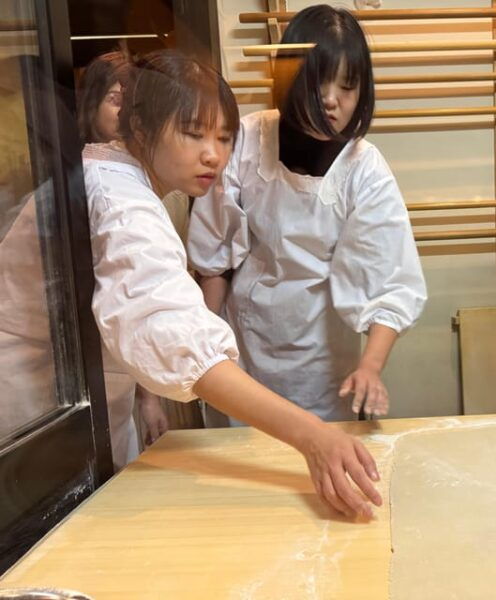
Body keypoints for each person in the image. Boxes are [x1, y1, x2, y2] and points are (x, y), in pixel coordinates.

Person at [84, 49, 381, 518]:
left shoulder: (121, 177)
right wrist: (313, 436)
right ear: (140, 128)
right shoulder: (124, 206)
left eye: (224, 138)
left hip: (94, 399)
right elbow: (178, 337)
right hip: (45, 408)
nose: (214, 155)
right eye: (193, 133)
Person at [188, 5, 426, 422]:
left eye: (347, 87)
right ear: (291, 78)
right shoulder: (247, 137)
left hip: (324, 359)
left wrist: (370, 368)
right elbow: (214, 258)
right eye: (319, 82)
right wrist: (205, 345)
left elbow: (392, 284)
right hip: (245, 343)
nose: (332, 101)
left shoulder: (364, 169)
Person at [77, 50, 170, 468]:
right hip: (59, 382)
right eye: (116, 99)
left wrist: (148, 398)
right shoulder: (97, 180)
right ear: (90, 103)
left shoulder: (132, 176)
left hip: (118, 376)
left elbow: (138, 302)